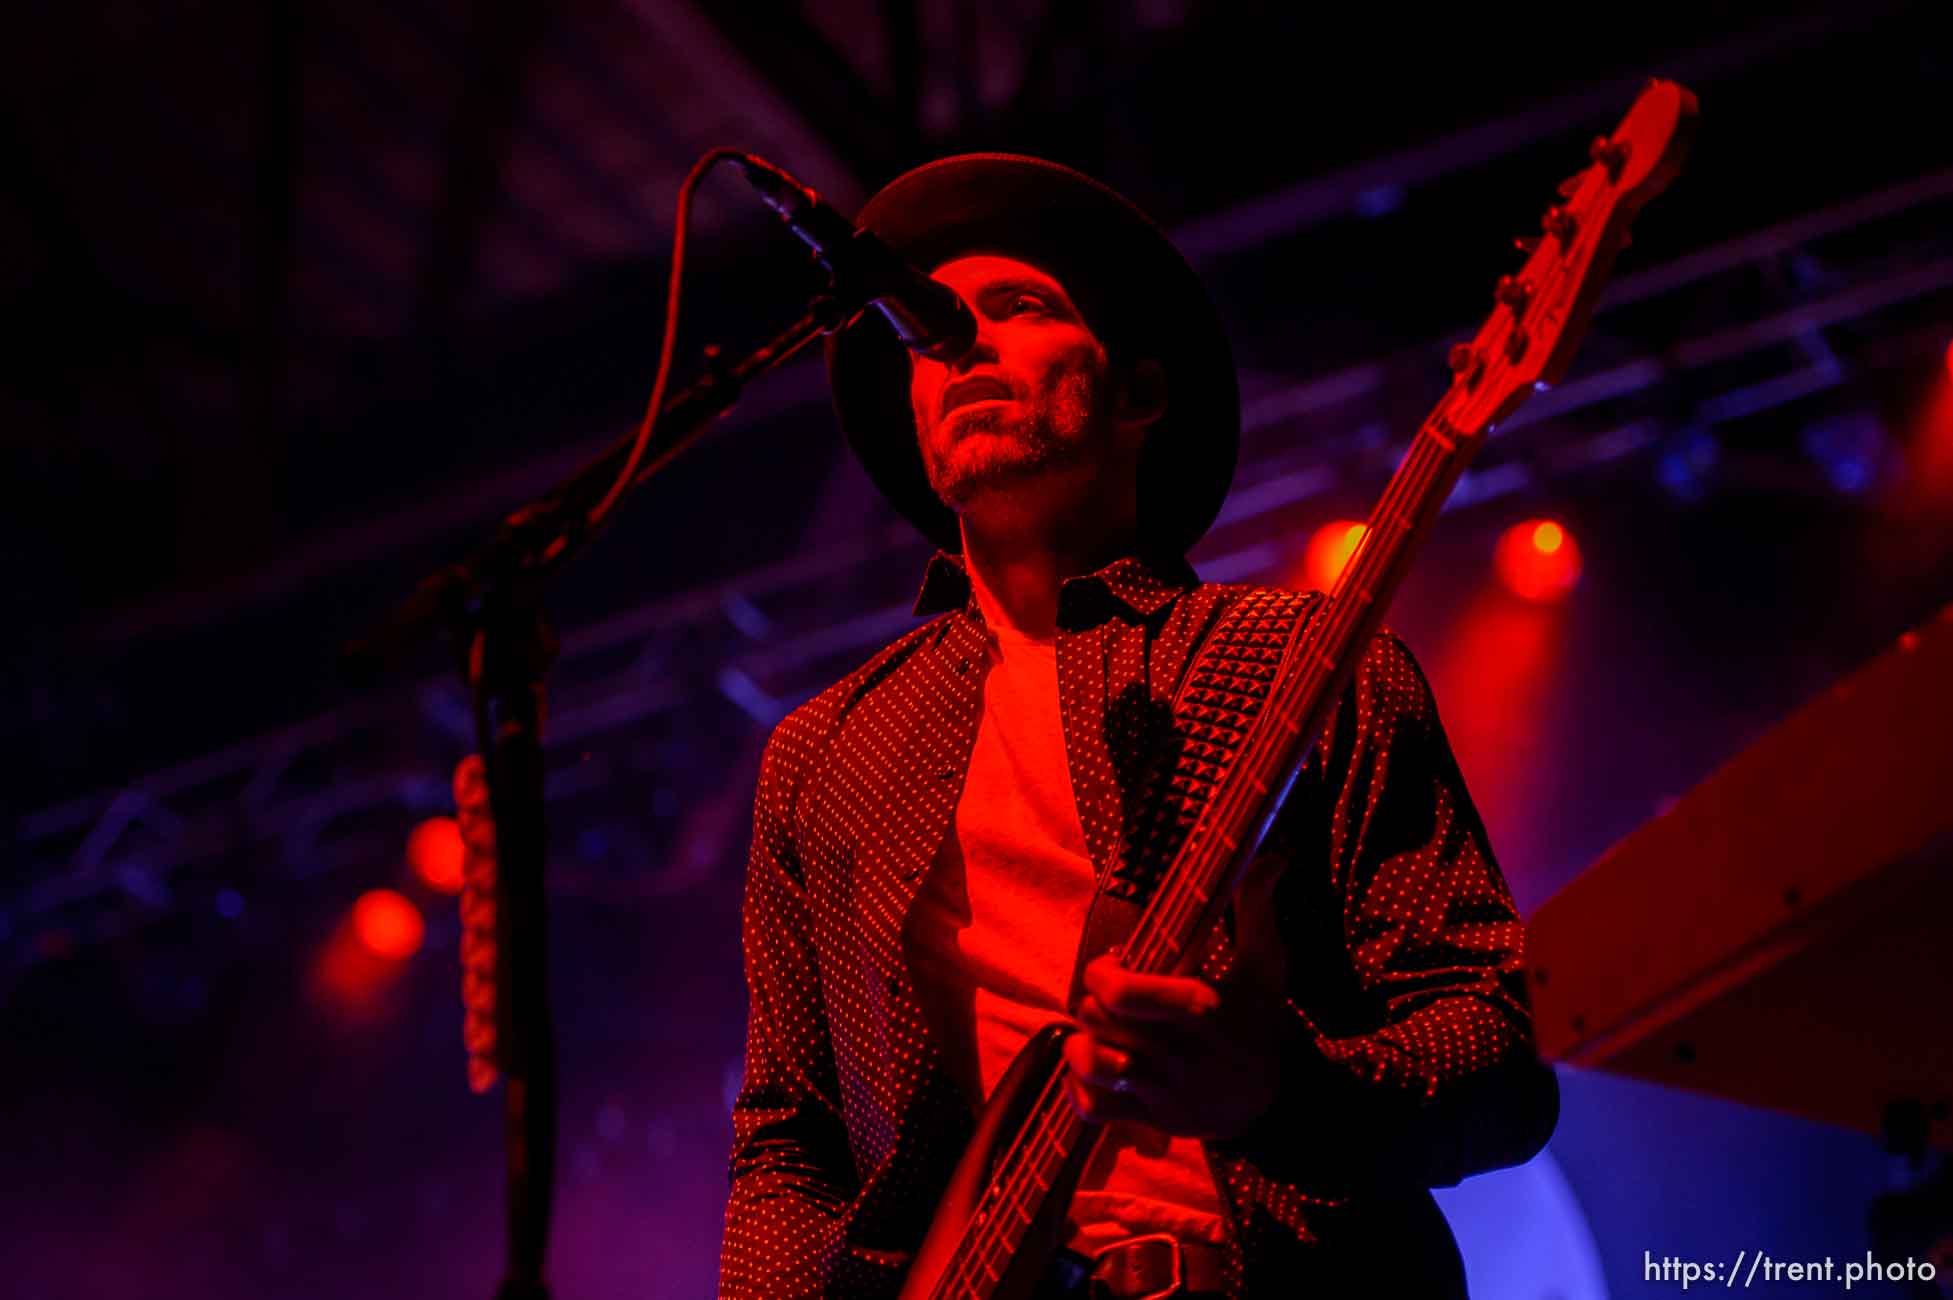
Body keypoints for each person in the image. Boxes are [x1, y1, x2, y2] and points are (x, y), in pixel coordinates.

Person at [714, 154, 1558, 1299]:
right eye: (931, 333)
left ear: (1138, 394)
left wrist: (1276, 1094)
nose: (960, 342)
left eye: (1018, 307)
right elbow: (788, 1142)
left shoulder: (1301, 661)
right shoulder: (825, 752)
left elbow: (1494, 1065)